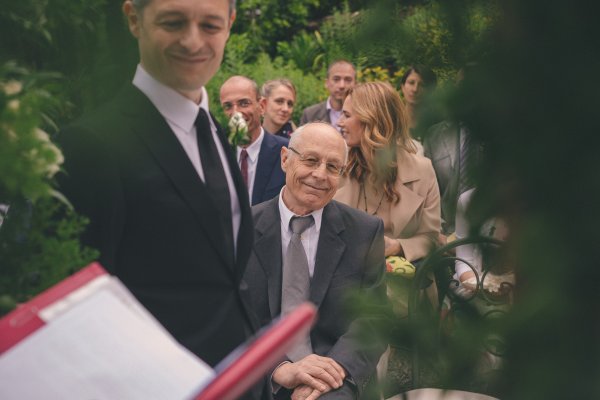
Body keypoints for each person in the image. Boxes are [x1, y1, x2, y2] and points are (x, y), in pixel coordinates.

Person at [56, 0, 259, 374]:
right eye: (173, 22)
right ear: (134, 19)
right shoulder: (90, 146)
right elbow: (75, 309)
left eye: (210, 26)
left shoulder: (215, 131)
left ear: (230, 24)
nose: (193, 41)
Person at [243, 122, 388, 399]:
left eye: (333, 167)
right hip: (259, 371)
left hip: (332, 374)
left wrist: (332, 371)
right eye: (310, 160)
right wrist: (279, 368)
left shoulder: (364, 232)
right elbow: (229, 315)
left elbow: (375, 317)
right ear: (285, 159)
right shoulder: (242, 228)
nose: (320, 175)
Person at [335, 81, 441, 263]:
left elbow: (432, 237)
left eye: (346, 115)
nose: (339, 122)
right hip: (346, 273)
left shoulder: (423, 171)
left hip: (405, 275)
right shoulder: (338, 167)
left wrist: (398, 247)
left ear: (371, 120)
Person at [220, 76, 288, 205]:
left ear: (262, 106)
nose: (236, 113)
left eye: (244, 103)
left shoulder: (286, 152)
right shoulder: (215, 153)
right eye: (228, 106)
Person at [300, 60, 356, 131]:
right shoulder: (310, 115)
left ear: (356, 84)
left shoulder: (361, 115)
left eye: (348, 80)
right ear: (326, 83)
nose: (342, 85)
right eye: (336, 79)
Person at [399, 66, 437, 155]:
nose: (415, 89)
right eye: (411, 83)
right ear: (402, 87)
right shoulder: (393, 122)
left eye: (422, 85)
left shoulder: (438, 126)